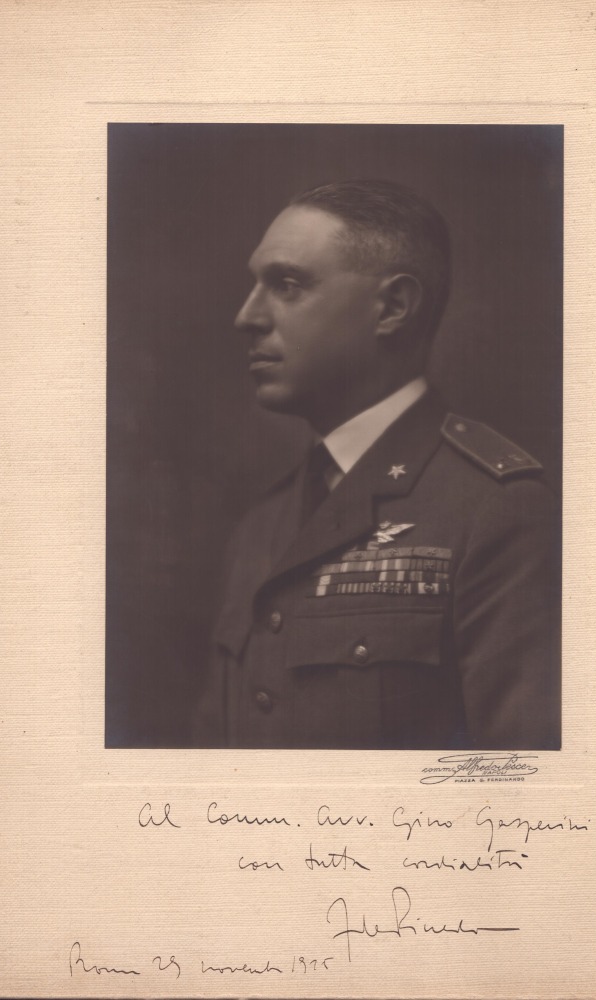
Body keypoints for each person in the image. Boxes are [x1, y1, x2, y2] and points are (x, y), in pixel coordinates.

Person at [194, 179, 560, 750]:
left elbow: (520, 782)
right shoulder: (260, 527)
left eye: (287, 285)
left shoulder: (496, 510)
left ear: (393, 307)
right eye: (255, 284)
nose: (247, 316)